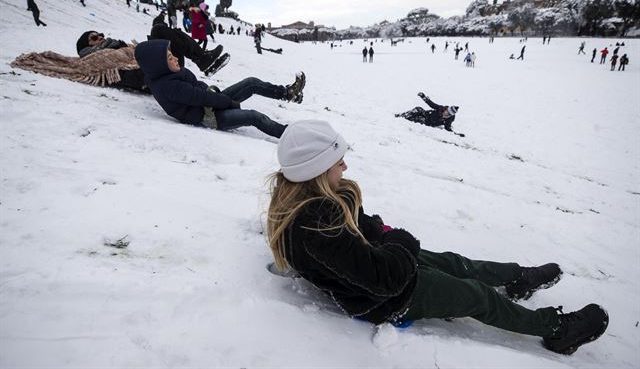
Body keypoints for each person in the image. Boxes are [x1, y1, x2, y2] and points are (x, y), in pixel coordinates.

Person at [267, 120, 609, 355]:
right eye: (338, 162)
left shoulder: (311, 200)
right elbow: (384, 279)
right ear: (315, 170)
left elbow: (358, 229)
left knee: (453, 262)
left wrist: (380, 233)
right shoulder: (314, 225)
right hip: (384, 298)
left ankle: (517, 278)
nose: (345, 168)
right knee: (476, 296)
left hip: (375, 265)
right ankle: (557, 331)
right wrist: (401, 240)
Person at [134, 40, 306, 138]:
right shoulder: (168, 86)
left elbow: (199, 89)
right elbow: (199, 97)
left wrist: (216, 95)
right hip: (208, 117)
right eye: (170, 58)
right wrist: (229, 102)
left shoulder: (169, 73)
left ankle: (287, 93)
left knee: (251, 82)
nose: (176, 59)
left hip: (209, 102)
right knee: (254, 117)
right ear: (159, 65)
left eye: (172, 55)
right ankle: (290, 135)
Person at [147, 22, 227, 74]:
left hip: (167, 71)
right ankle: (201, 58)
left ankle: (202, 59)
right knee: (158, 29)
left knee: (169, 36)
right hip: (154, 76)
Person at [395, 92, 462, 135]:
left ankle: (407, 119)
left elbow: (447, 127)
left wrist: (456, 134)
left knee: (418, 119)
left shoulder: (450, 119)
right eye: (447, 112)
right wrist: (423, 97)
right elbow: (431, 104)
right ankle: (402, 115)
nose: (447, 114)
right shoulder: (441, 108)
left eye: (449, 114)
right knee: (418, 109)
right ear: (446, 109)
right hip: (426, 114)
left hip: (427, 122)